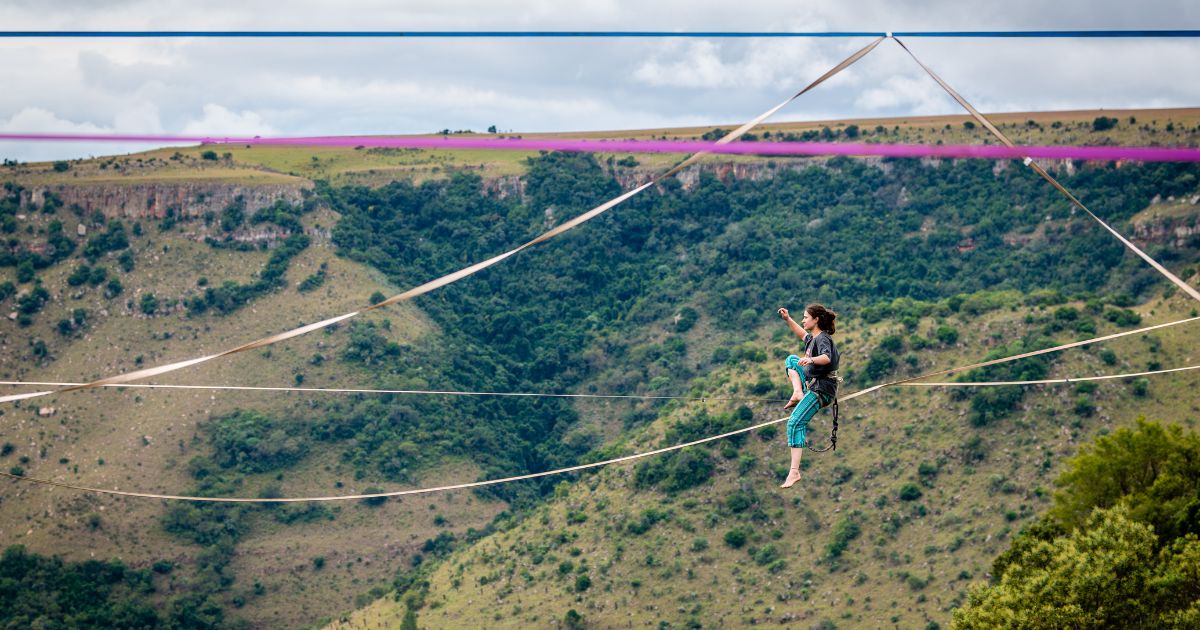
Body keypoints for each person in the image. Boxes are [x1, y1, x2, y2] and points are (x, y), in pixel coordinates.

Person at [777, 303, 840, 489]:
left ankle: (794, 471)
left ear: (816, 319)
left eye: (805, 317)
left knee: (795, 422)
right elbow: (801, 334)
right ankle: (797, 391)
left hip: (822, 389)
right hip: (813, 383)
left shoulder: (822, 339)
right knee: (791, 360)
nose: (803, 320)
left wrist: (811, 359)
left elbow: (826, 358)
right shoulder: (813, 339)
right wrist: (788, 319)